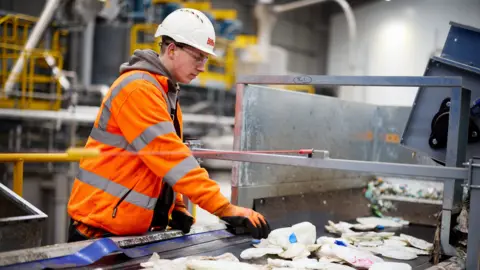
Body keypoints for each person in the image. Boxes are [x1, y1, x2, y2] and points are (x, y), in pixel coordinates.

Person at [66, 8, 271, 242]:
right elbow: (170, 156)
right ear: (172, 49)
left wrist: (176, 206)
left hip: (123, 229)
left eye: (205, 58)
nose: (203, 67)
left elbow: (159, 164)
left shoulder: (164, 91)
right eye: (198, 57)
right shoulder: (139, 89)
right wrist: (224, 208)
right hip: (98, 232)